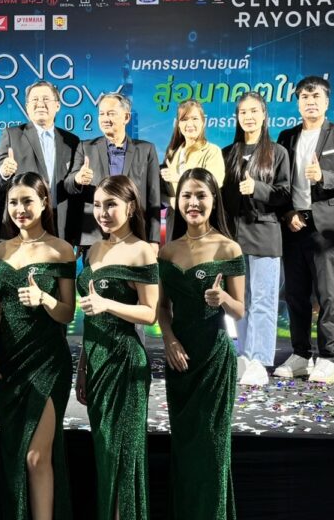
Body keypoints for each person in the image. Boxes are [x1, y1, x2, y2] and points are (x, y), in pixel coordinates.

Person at [0, 172, 77, 520]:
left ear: (44, 202)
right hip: (10, 365)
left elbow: (68, 313)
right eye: (13, 203)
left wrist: (44, 299)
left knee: (37, 456)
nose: (20, 209)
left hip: (47, 363)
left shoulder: (61, 250)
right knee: (15, 453)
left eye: (27, 201)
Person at [158, 167, 245, 520]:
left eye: (201, 196)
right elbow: (162, 309)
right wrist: (169, 339)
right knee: (184, 452)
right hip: (180, 363)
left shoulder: (228, 247)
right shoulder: (167, 252)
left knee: (212, 450)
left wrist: (222, 298)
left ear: (213, 200)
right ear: (177, 202)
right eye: (187, 196)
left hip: (214, 361)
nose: (193, 203)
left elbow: (240, 310)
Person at [74, 175, 158, 520]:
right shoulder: (94, 249)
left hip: (125, 362)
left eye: (111, 204)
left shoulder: (142, 250)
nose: (103, 212)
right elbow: (89, 315)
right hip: (96, 362)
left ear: (131, 207)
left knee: (123, 457)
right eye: (97, 205)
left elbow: (150, 312)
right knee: (106, 455)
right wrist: (82, 366)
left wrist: (108, 304)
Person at [275, 76, 334, 384]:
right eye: (305, 97)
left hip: (326, 228)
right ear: (298, 103)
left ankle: (329, 358)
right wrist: (287, 213)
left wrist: (323, 176)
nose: (310, 102)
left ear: (326, 102)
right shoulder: (286, 137)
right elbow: (279, 182)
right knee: (295, 295)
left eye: (316, 97)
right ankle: (300, 354)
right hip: (293, 225)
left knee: (328, 295)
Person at [221, 92, 291, 386]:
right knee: (240, 302)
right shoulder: (227, 153)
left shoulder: (277, 152)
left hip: (264, 234)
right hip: (234, 239)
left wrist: (258, 189)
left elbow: (285, 194)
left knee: (263, 301)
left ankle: (259, 360)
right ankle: (244, 355)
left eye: (254, 111)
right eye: (243, 112)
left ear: (264, 115)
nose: (248, 117)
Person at [65, 92, 162, 250]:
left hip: (135, 234)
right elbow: (68, 185)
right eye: (101, 114)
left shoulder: (146, 149)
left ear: (126, 117)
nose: (105, 119)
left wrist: (153, 240)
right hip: (94, 236)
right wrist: (77, 179)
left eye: (111, 113)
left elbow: (154, 197)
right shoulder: (85, 147)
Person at [0, 81, 81, 245]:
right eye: (34, 99)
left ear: (57, 106)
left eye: (46, 99)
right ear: (27, 107)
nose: (40, 104)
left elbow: (72, 189)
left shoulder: (71, 141)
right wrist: (4, 172)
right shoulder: (12, 135)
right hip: (23, 223)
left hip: (60, 225)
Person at [160, 99, 225, 242]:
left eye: (194, 118)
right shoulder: (172, 153)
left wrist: (179, 177)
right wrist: (170, 201)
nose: (189, 124)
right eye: (184, 119)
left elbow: (215, 182)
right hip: (175, 221)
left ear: (203, 122)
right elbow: (162, 192)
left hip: (201, 219)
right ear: (178, 124)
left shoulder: (212, 151)